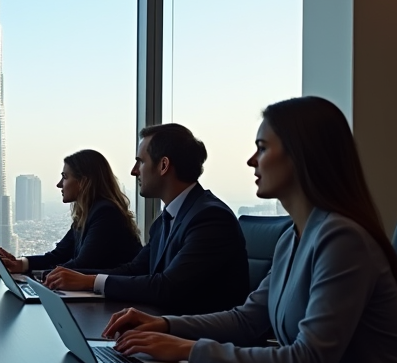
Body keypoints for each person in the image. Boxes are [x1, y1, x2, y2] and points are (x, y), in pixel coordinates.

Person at [105, 97, 397, 363]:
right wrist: (165, 325)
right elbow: (248, 319)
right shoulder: (293, 237)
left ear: (301, 155)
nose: (252, 161)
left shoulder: (343, 239)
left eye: (262, 148)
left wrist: (188, 349)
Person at [44, 124, 248, 314]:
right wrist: (79, 279)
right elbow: (135, 269)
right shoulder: (166, 219)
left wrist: (90, 282)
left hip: (198, 343)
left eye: (140, 162)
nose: (134, 171)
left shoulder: (210, 218)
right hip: (163, 329)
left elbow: (167, 287)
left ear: (163, 165)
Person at [0, 149, 141, 275]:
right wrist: (21, 264)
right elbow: (59, 256)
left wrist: (37, 275)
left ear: (84, 181)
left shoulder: (106, 214)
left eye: (64, 177)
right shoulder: (89, 213)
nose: (59, 184)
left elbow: (81, 267)